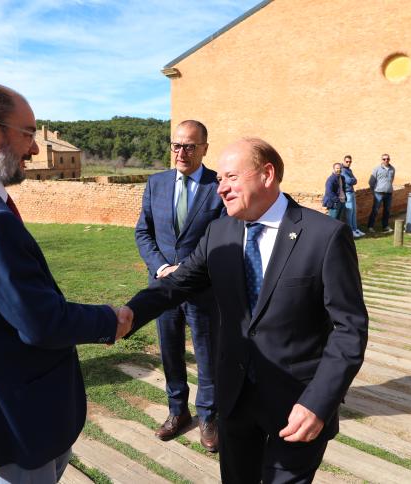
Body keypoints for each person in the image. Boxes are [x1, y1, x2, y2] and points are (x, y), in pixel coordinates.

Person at [0, 81, 132, 483]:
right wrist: (109, 320)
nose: (34, 149)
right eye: (29, 134)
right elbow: (41, 322)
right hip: (14, 409)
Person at [125, 137, 368, 483]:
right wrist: (128, 314)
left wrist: (320, 401)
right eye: (220, 179)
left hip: (299, 405)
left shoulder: (325, 236)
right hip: (235, 399)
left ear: (267, 174)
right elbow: (176, 285)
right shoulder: (219, 232)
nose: (220, 188)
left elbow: (350, 329)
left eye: (230, 177)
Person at [135, 120, 225, 452]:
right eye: (176, 145)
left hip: (203, 288)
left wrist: (185, 269)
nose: (181, 152)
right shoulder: (156, 183)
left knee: (207, 355)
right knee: (170, 352)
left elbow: (223, 239)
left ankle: (208, 417)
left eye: (189, 146)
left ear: (204, 148)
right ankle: (177, 412)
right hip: (163, 287)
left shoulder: (218, 186)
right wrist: (161, 266)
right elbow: (143, 232)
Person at [367, 153, 396, 233]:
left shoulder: (392, 169)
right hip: (378, 193)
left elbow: (391, 180)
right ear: (381, 160)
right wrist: (374, 191)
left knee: (387, 210)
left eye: (387, 159)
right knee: (375, 210)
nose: (386, 160)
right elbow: (371, 182)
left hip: (389, 193)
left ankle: (385, 226)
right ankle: (370, 226)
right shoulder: (377, 169)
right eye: (384, 159)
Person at [341, 155, 364, 237]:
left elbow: (355, 180)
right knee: (349, 212)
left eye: (350, 162)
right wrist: (353, 180)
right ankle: (350, 231)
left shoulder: (349, 170)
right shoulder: (343, 170)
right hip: (347, 193)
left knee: (354, 212)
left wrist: (353, 180)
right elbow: (349, 181)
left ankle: (355, 229)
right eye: (347, 161)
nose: (348, 163)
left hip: (351, 192)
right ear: (343, 161)